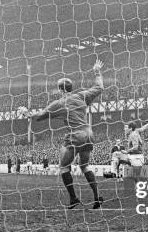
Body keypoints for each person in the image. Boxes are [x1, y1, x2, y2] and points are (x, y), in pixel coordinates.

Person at [20, 59, 104, 209]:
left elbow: (39, 116)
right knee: (85, 166)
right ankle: (97, 197)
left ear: (60, 89)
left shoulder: (59, 103)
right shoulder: (81, 95)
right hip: (89, 133)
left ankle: (73, 199)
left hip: (75, 135)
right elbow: (99, 87)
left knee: (64, 167)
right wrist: (97, 71)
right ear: (71, 88)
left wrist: (26, 113)